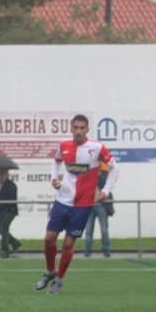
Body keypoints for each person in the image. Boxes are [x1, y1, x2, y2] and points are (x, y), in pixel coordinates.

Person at [35, 114, 119, 294]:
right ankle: (50, 271)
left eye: (82, 128)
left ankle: (59, 279)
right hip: (62, 200)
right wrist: (54, 178)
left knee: (67, 244)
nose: (79, 131)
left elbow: (115, 167)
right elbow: (56, 161)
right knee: (49, 238)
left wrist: (105, 190)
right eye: (76, 127)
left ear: (87, 130)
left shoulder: (97, 148)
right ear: (71, 128)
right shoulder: (64, 145)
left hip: (83, 205)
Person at [0, 168, 21, 258]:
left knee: (4, 229)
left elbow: (10, 199)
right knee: (0, 230)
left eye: (2, 174)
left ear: (7, 175)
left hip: (9, 212)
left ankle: (4, 251)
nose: (0, 176)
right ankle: (15, 243)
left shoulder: (12, 186)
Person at [83, 163, 113, 258]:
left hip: (102, 205)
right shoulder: (87, 174)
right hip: (89, 205)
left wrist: (99, 175)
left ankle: (106, 251)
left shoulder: (104, 174)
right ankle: (87, 251)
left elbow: (106, 186)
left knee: (104, 229)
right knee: (88, 229)